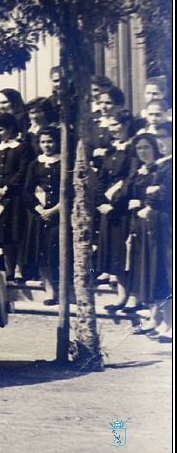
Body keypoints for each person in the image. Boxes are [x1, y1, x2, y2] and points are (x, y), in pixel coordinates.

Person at [126, 132, 170, 338]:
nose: (143, 152)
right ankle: (155, 318)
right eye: (139, 148)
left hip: (159, 225)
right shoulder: (139, 171)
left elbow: (164, 192)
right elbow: (129, 192)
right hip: (141, 224)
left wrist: (145, 201)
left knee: (159, 270)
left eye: (146, 147)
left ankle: (167, 322)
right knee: (146, 271)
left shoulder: (162, 169)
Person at [95, 109, 137, 311]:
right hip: (108, 209)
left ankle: (134, 298)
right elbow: (101, 178)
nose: (113, 130)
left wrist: (114, 203)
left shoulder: (133, 149)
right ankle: (121, 297)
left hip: (123, 209)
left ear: (126, 124)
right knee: (114, 253)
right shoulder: (111, 149)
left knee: (126, 253)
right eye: (110, 126)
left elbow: (130, 179)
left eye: (116, 126)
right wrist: (101, 201)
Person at [0, 113, 34, 281]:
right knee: (5, 234)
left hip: (16, 196)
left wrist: (6, 188)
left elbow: (23, 172)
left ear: (11, 129)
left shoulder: (23, 147)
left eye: (1, 130)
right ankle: (9, 270)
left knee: (17, 233)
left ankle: (21, 269)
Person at [23, 127, 64, 305]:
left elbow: (70, 190)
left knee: (56, 252)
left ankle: (62, 289)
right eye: (43, 142)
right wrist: (40, 209)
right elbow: (27, 190)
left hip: (59, 214)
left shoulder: (64, 162)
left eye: (50, 141)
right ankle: (50, 291)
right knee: (41, 253)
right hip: (39, 215)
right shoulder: (35, 164)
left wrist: (55, 209)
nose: (47, 145)